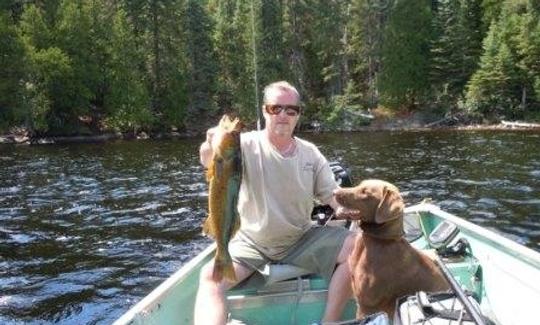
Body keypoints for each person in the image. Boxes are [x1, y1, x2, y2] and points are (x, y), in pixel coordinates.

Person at [195, 81, 355, 324]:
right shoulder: (242, 144)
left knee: (359, 248)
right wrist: (210, 143)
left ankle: (329, 321)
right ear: (264, 110)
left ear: (298, 115)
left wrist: (343, 207)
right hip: (253, 242)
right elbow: (209, 161)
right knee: (210, 278)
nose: (283, 115)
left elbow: (331, 194)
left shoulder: (310, 153)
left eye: (291, 110)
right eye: (275, 108)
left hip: (300, 239)